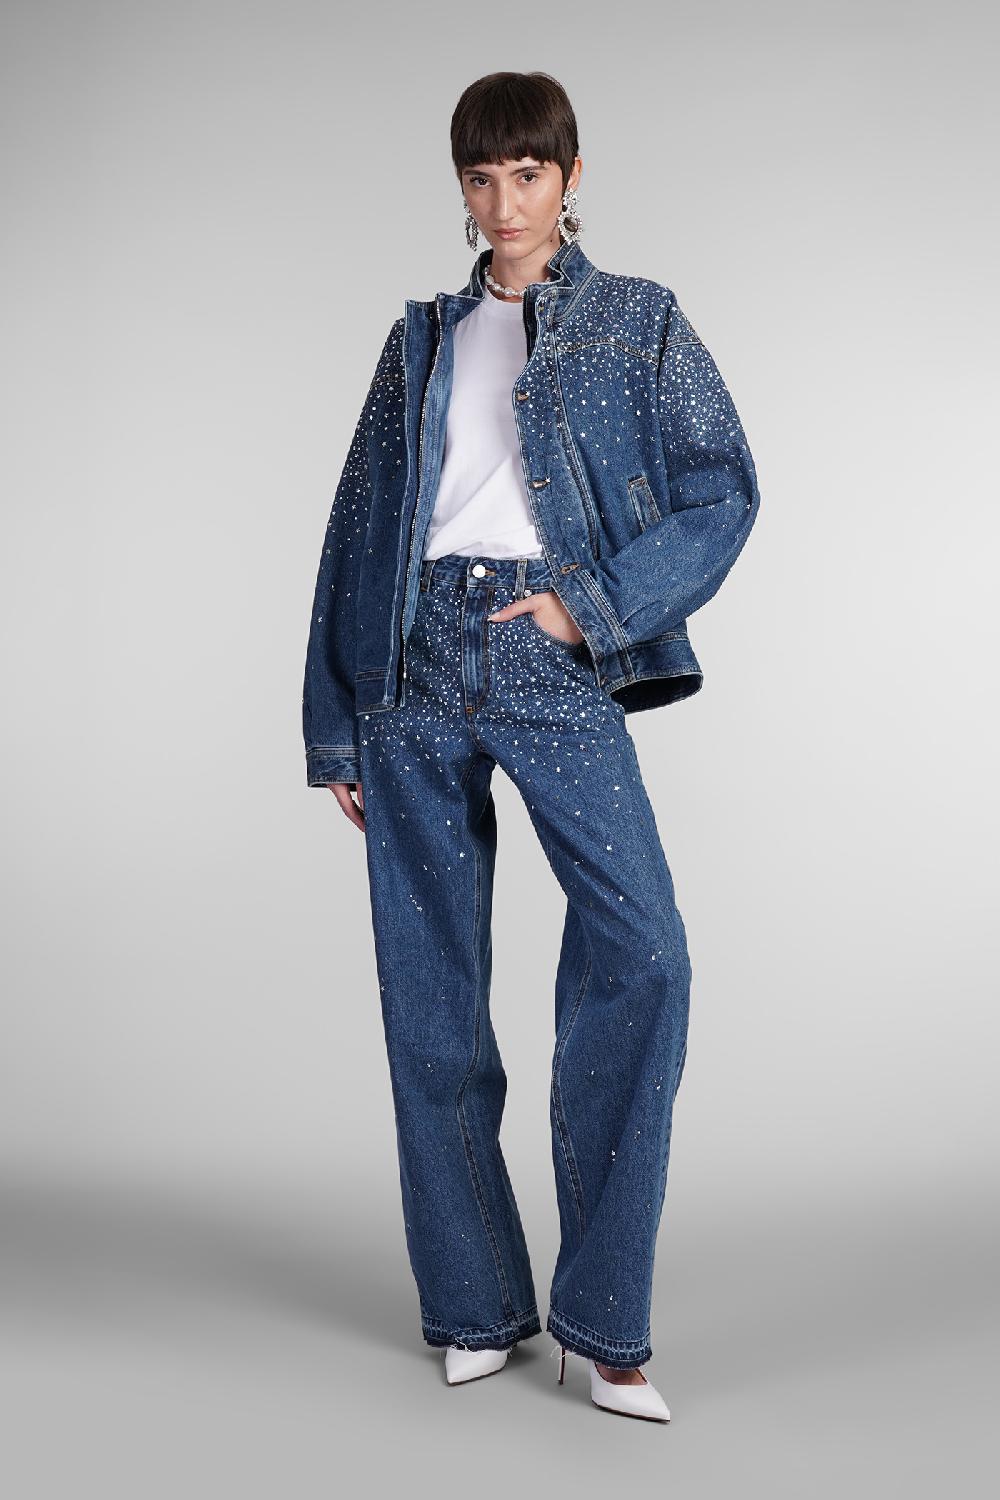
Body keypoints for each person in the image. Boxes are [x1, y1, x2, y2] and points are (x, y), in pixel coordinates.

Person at [301, 70, 760, 1423]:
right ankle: (473, 1304)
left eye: (528, 174)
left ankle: (605, 1322)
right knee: (429, 991)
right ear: (461, 188)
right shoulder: (420, 341)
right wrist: (336, 721)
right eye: (481, 178)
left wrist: (591, 607)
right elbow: (356, 528)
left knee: (646, 951)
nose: (504, 203)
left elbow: (724, 490)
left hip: (545, 652)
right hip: (414, 666)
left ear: (570, 175)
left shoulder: (637, 321)